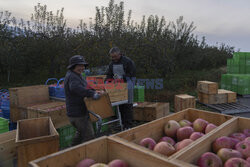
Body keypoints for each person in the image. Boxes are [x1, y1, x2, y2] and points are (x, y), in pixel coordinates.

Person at [64, 55, 103, 146]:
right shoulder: (72, 76)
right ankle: (88, 157)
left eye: (83, 65)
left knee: (80, 133)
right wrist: (92, 94)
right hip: (78, 114)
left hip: (76, 112)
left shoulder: (77, 75)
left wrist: (94, 91)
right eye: (79, 66)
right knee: (89, 137)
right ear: (73, 66)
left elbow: (84, 87)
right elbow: (75, 88)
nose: (82, 68)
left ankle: (71, 150)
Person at [105, 47, 136, 129]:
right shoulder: (111, 64)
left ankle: (128, 125)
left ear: (120, 54)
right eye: (112, 57)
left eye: (115, 57)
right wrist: (107, 81)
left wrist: (122, 78)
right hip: (118, 87)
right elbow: (109, 74)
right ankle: (122, 124)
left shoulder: (128, 61)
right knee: (120, 105)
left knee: (128, 105)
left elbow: (132, 73)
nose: (114, 58)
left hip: (128, 85)